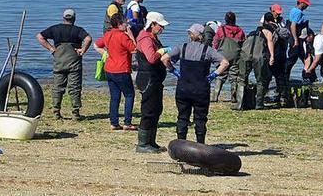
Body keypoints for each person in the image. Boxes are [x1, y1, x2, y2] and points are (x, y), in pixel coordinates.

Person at [163, 23, 229, 143]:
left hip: (183, 88)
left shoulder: (181, 47)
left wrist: (173, 71)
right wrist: (212, 76)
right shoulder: (208, 51)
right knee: (200, 119)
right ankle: (200, 145)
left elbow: (164, 58)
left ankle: (181, 144)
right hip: (201, 89)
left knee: (182, 117)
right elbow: (225, 63)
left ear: (191, 35)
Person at [37, 8, 92, 120]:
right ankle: (75, 113)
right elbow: (88, 39)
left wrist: (51, 48)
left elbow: (39, 36)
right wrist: (82, 50)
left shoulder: (55, 28)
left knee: (58, 87)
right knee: (74, 87)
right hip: (74, 62)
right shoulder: (78, 30)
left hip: (59, 61)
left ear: (63, 18)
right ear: (74, 18)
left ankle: (56, 111)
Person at [134, 11, 170, 153]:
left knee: (156, 109)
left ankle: (151, 141)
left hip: (155, 78)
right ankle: (142, 144)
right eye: (160, 26)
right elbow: (152, 58)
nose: (162, 29)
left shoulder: (152, 37)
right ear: (152, 24)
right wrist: (163, 51)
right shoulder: (146, 39)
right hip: (148, 79)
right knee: (148, 110)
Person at [94, 13, 137, 130]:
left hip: (109, 69)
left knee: (115, 96)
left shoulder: (108, 34)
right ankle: (127, 122)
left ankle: (114, 122)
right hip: (121, 69)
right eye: (125, 23)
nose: (127, 25)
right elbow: (134, 49)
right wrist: (131, 35)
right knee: (129, 95)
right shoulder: (123, 36)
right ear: (119, 24)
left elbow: (96, 45)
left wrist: (106, 54)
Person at [238, 12, 276, 109]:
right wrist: (272, 56)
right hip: (258, 56)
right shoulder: (268, 32)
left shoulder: (252, 32)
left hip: (245, 55)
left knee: (242, 79)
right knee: (260, 80)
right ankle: (259, 104)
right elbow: (270, 42)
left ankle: (240, 104)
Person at [211, 11, 245, 104]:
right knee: (234, 76)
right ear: (235, 19)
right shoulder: (240, 30)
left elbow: (215, 43)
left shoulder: (221, 29)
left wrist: (216, 53)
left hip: (223, 55)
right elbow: (243, 43)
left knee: (220, 75)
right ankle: (234, 97)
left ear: (225, 19)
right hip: (235, 55)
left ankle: (215, 96)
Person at [285, 0, 311, 82]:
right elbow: (293, 26)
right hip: (296, 40)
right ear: (301, 3)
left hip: (297, 39)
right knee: (292, 58)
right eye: (306, 4)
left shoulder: (294, 10)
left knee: (306, 57)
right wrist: (296, 40)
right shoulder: (298, 12)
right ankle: (284, 77)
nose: (307, 6)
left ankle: (310, 76)